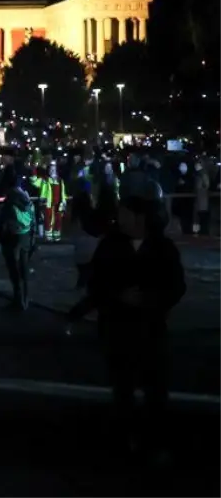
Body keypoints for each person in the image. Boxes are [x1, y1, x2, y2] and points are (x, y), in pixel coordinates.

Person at [68, 182, 185, 461]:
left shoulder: (162, 247)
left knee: (156, 390)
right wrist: (113, 297)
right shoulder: (111, 245)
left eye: (125, 214)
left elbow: (176, 286)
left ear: (140, 217)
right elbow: (96, 283)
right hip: (117, 328)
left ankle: (155, 441)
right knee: (123, 389)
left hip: (151, 328)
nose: (119, 219)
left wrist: (149, 299)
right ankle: (123, 441)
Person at [0, 173, 36, 310]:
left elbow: (3, 222)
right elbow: (33, 219)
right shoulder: (27, 198)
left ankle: (18, 300)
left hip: (12, 237)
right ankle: (25, 300)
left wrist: (1, 238)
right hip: (25, 236)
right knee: (23, 268)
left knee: (14, 270)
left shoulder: (10, 200)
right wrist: (33, 238)